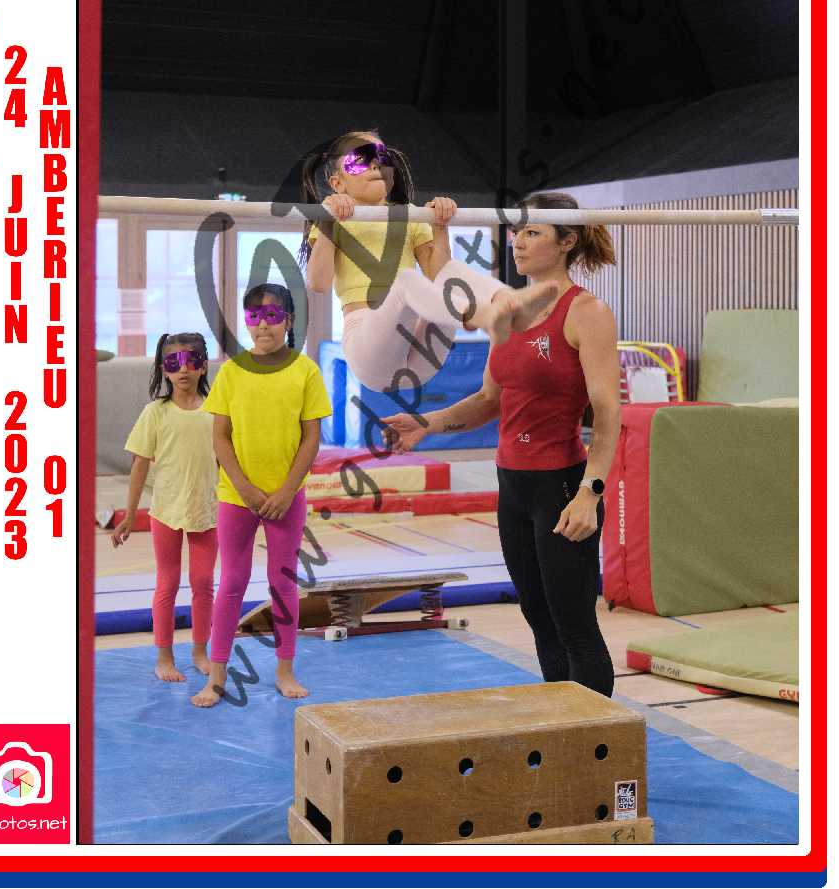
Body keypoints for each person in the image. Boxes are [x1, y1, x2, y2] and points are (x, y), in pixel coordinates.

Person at [383, 192, 620, 697]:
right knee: (538, 617)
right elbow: (489, 399)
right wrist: (427, 423)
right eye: (517, 232)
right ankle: (562, 725)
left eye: (533, 232)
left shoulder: (587, 312)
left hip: (561, 488)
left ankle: (600, 734)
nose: (519, 242)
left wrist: (590, 493)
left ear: (567, 241)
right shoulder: (506, 309)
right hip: (512, 488)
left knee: (574, 623)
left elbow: (606, 414)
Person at [298, 129, 555, 392]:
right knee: (407, 281)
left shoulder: (411, 216)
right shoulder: (333, 221)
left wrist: (439, 226)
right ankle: (485, 315)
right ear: (337, 183)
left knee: (450, 272)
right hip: (369, 351)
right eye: (360, 160)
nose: (374, 164)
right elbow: (319, 283)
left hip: (422, 357)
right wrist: (328, 221)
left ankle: (508, 302)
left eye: (381, 157)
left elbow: (440, 275)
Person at [191, 283, 332, 706]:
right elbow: (220, 437)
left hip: (286, 497)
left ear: (288, 320)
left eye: (272, 315)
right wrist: (245, 488)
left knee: (282, 583)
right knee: (232, 581)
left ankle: (285, 670)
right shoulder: (233, 372)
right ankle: (217, 675)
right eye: (254, 316)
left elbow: (311, 438)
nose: (263, 325)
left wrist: (287, 490)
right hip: (238, 497)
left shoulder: (305, 371)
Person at [115, 332, 219, 683]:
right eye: (174, 363)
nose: (183, 369)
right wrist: (130, 514)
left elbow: (229, 460)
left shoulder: (216, 411)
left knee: (203, 582)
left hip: (206, 510)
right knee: (168, 583)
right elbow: (139, 466)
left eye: (191, 361)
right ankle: (164, 657)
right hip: (166, 511)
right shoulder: (155, 413)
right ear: (164, 369)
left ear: (203, 366)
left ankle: (201, 652)